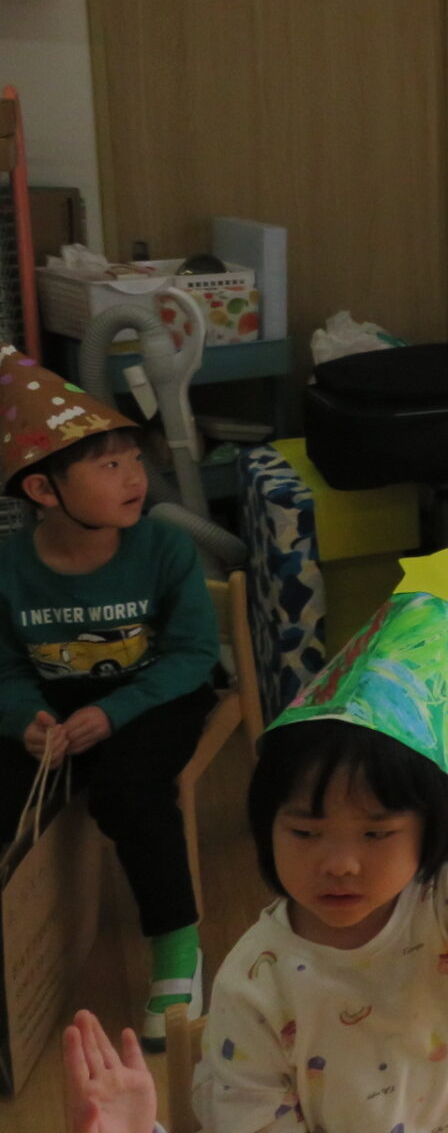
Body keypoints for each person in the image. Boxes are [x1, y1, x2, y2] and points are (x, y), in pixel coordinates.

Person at [64, 550, 448, 1133]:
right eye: (306, 832)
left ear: (437, 820)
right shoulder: (257, 979)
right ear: (266, 825)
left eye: (376, 832)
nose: (339, 864)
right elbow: (249, 1118)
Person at [0, 347, 219, 1044]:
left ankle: (177, 951)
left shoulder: (164, 548)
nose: (134, 477)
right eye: (109, 465)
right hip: (54, 705)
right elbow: (3, 671)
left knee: (130, 789)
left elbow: (193, 655)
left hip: (157, 697)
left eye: (133, 459)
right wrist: (25, 719)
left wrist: (113, 711)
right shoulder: (8, 569)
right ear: (44, 490)